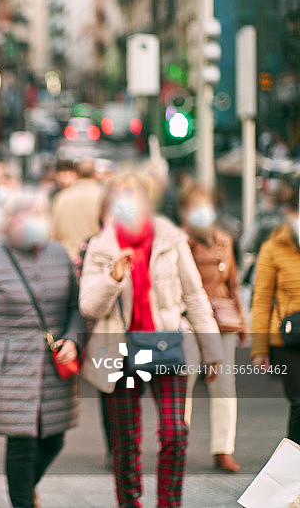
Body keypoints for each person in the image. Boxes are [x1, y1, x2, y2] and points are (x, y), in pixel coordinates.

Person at [79, 171, 223, 508]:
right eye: (122, 195)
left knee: (176, 432)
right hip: (121, 350)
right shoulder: (101, 247)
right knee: (125, 441)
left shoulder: (171, 240)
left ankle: (169, 502)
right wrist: (113, 277)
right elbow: (89, 306)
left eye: (135, 194)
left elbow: (195, 296)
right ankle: (130, 502)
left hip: (168, 345)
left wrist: (212, 350)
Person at [0, 189, 83, 508]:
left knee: (54, 439)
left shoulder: (60, 255)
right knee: (22, 445)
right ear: (9, 221)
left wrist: (73, 339)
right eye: (25, 215)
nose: (33, 221)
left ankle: (25, 490)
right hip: (8, 369)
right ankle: (23, 502)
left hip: (53, 367)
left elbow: (76, 307)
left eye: (38, 214)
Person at [179, 184, 248, 473]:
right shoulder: (180, 243)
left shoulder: (225, 240)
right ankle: (177, 445)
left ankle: (223, 450)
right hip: (190, 320)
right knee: (185, 384)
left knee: (224, 386)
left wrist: (242, 320)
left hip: (222, 320)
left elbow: (232, 283)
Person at [251, 185, 300, 444]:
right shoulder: (273, 247)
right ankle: (294, 471)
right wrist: (259, 347)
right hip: (288, 338)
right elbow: (260, 299)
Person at [51, 157, 104, 260]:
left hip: (68, 257)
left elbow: (54, 232)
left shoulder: (62, 197)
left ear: (77, 174)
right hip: (95, 259)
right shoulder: (103, 196)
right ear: (95, 174)